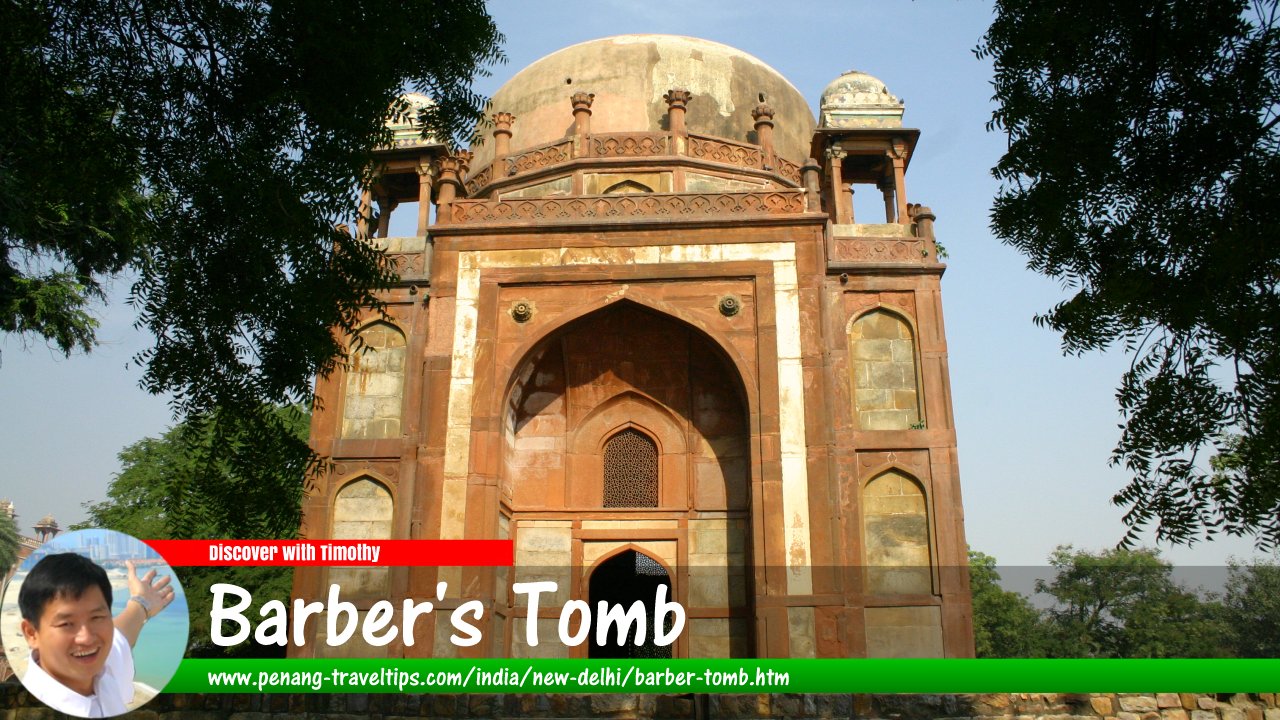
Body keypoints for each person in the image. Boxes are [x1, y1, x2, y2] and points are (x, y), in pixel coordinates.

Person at [17, 553, 175, 717]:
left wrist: (142, 603)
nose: (86, 638)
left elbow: (121, 636)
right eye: (66, 624)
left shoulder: (102, 670)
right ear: (31, 633)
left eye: (96, 617)